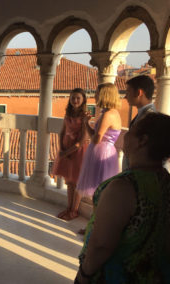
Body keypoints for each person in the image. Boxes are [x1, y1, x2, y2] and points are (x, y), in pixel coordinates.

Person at [75, 112, 170, 284]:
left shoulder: (124, 187)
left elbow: (101, 245)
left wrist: (84, 275)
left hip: (120, 275)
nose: (125, 134)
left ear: (143, 141)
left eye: (132, 131)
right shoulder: (164, 179)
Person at [76, 83, 122, 200]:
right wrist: (86, 122)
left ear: (103, 95)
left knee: (99, 190)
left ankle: (97, 216)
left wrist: (86, 123)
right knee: (100, 189)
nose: (95, 96)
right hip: (106, 150)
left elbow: (96, 139)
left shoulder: (108, 114)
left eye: (97, 93)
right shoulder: (113, 112)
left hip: (102, 153)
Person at [52, 88, 89, 221]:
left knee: (77, 181)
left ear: (83, 99)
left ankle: (74, 210)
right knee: (69, 181)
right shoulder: (67, 113)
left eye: (78, 98)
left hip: (78, 151)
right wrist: (61, 148)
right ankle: (68, 207)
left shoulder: (85, 115)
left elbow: (83, 139)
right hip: (65, 148)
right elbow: (62, 132)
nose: (75, 100)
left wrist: (67, 152)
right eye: (73, 98)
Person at [122, 75, 156, 170]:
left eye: (128, 91)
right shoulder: (143, 114)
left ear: (139, 92)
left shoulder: (150, 117)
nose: (125, 96)